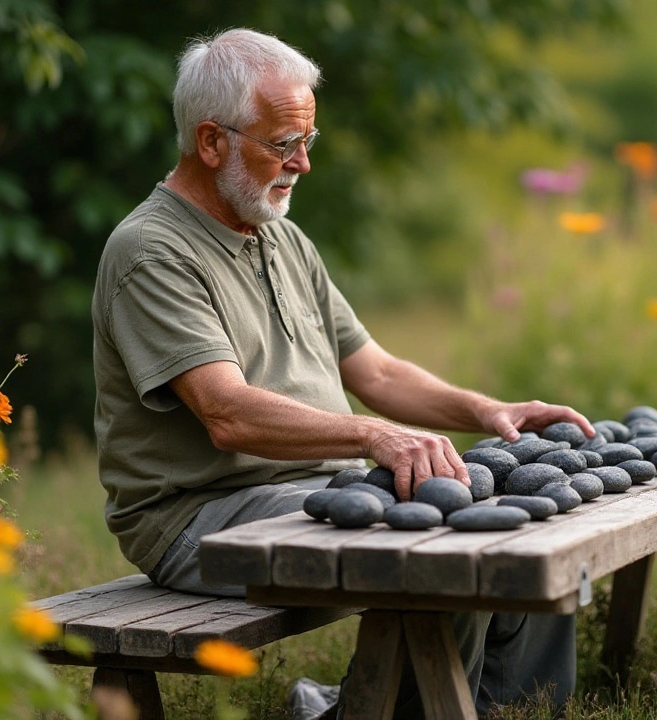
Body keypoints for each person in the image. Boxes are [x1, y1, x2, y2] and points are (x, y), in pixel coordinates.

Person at [90, 27, 592, 717]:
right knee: (442, 540)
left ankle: (507, 708)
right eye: (282, 144)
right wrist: (374, 438)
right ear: (211, 143)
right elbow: (226, 411)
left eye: (308, 142)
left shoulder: (282, 236)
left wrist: (489, 412)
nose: (302, 163)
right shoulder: (151, 250)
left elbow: (377, 371)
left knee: (514, 504)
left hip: (321, 487)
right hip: (200, 518)